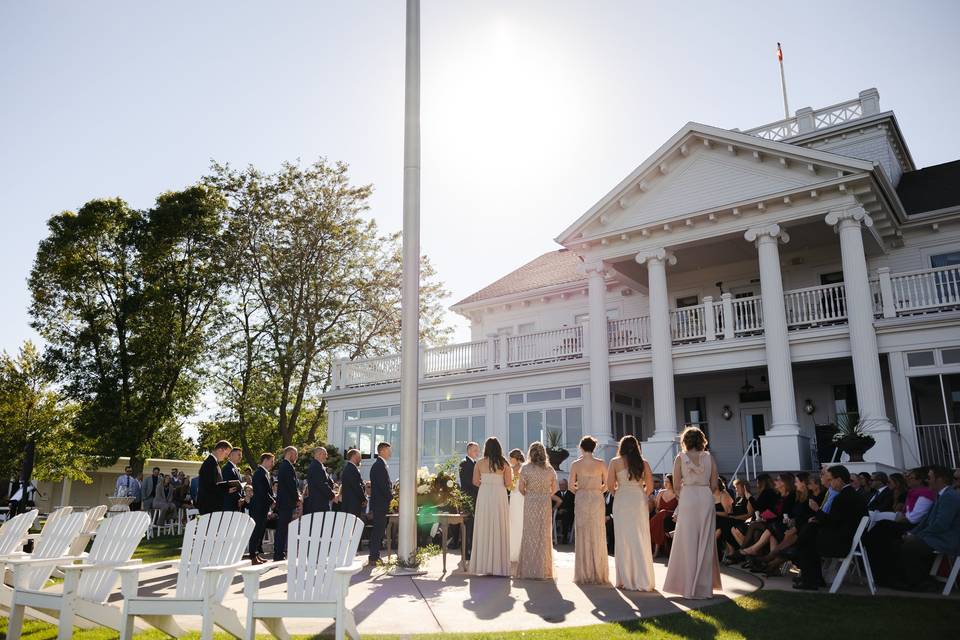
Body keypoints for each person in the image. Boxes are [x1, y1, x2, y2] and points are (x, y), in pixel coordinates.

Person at [663, 426, 722, 599]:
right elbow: (714, 484)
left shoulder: (680, 457)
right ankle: (704, 587)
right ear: (701, 440)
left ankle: (688, 586)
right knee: (705, 540)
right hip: (705, 497)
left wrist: (686, 496)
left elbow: (675, 486)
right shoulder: (709, 457)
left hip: (688, 497)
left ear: (685, 441)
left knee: (687, 541)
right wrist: (703, 492)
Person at [794, 465, 867, 590]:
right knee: (808, 532)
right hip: (842, 536)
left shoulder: (844, 497)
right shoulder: (847, 494)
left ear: (839, 480)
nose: (829, 483)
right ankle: (814, 578)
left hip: (840, 542)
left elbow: (832, 522)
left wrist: (817, 510)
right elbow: (834, 520)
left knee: (807, 539)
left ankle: (810, 579)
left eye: (830, 480)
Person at [895, 465, 960, 590]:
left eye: (929, 477)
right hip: (937, 537)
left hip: (947, 540)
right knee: (901, 542)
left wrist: (917, 536)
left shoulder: (949, 497)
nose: (927, 480)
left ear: (939, 479)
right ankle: (914, 580)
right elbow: (926, 521)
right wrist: (912, 533)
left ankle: (919, 583)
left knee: (909, 547)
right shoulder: (941, 495)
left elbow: (941, 525)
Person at [606, 435, 655, 591]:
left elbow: (609, 486)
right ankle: (643, 578)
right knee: (640, 536)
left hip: (622, 500)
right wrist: (641, 494)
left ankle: (625, 579)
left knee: (623, 538)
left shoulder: (614, 462)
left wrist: (619, 494)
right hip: (638, 499)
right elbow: (651, 487)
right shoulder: (644, 463)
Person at [570, 435, 609, 585]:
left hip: (581, 498)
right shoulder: (601, 463)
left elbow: (570, 486)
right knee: (597, 532)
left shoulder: (576, 464)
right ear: (593, 448)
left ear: (581, 447)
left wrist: (580, 492)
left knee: (583, 532)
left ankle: (584, 572)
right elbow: (607, 483)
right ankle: (598, 571)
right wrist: (598, 490)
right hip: (597, 498)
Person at [515, 442, 558, 579]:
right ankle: (544, 569)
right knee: (543, 534)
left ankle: (529, 569)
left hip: (530, 502)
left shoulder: (525, 469)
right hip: (545, 502)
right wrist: (546, 494)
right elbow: (556, 488)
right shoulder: (550, 469)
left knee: (530, 533)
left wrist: (531, 494)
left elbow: (521, 489)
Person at [470, 437, 511, 576]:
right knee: (499, 526)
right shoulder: (504, 463)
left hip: (485, 494)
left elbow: (475, 481)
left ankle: (483, 565)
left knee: (484, 525)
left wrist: (486, 483)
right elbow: (508, 483)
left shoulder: (479, 463)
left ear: (486, 448)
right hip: (499, 494)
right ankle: (498, 566)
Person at [273, 446, 300, 561]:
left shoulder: (284, 466)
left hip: (285, 502)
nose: (296, 457)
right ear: (290, 453)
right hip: (286, 503)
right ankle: (279, 554)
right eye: (296, 454)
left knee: (283, 529)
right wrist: (297, 498)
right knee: (282, 529)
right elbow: (291, 485)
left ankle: (279, 553)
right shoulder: (287, 466)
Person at [248, 453, 275, 564]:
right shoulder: (259, 473)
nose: (273, 463)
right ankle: (253, 556)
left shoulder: (264, 473)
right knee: (256, 532)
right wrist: (272, 501)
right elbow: (261, 491)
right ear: (265, 460)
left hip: (262, 507)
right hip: (258, 507)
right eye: (272, 461)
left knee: (260, 532)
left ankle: (256, 554)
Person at [368, 442, 392, 566]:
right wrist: (392, 498)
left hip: (380, 504)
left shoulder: (380, 465)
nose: (390, 452)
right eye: (389, 450)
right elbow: (384, 486)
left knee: (379, 530)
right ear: (382, 451)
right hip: (379, 504)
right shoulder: (379, 466)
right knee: (378, 531)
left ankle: (374, 556)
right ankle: (373, 557)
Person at [457, 442, 480, 557]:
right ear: (469, 451)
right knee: (467, 525)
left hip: (475, 497)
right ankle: (466, 551)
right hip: (468, 498)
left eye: (478, 450)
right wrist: (479, 487)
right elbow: (466, 482)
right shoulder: (464, 463)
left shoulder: (475, 463)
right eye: (476, 450)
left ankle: (471, 549)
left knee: (473, 525)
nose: (478, 452)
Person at [198, 441, 233, 515]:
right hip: (209, 506)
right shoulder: (210, 464)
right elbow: (210, 486)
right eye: (226, 454)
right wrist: (226, 489)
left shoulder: (214, 463)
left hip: (213, 505)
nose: (226, 457)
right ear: (220, 450)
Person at [650, 473, 678, 557]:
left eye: (668, 481)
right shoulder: (661, 493)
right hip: (660, 516)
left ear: (672, 482)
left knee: (662, 514)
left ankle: (656, 550)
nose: (665, 483)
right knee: (661, 514)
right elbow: (657, 508)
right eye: (664, 481)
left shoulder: (677, 494)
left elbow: (679, 508)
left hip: (671, 516)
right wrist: (659, 512)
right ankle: (657, 549)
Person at [304, 447, 335, 514]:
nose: (326, 456)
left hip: (320, 503)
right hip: (318, 504)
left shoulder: (318, 466)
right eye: (324, 454)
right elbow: (322, 484)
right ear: (318, 454)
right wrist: (332, 495)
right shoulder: (316, 467)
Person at [508, 448, 525, 565]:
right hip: (518, 497)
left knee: (518, 522)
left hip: (517, 496)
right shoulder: (525, 467)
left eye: (511, 458)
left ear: (516, 458)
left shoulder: (514, 469)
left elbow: (509, 485)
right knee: (515, 522)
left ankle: (516, 551)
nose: (510, 460)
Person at [339, 449, 365, 518]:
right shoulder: (351, 469)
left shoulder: (349, 468)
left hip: (350, 504)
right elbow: (356, 486)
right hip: (352, 505)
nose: (360, 459)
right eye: (359, 456)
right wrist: (363, 499)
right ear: (353, 456)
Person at [553, 479, 575, 545]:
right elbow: (553, 505)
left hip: (568, 513)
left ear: (566, 485)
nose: (561, 486)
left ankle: (564, 537)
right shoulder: (556, 494)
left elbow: (573, 506)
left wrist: (565, 510)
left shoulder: (571, 495)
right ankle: (553, 536)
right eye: (560, 485)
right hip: (557, 513)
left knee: (566, 517)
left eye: (563, 485)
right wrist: (558, 511)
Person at [222, 448, 244, 512]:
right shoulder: (227, 469)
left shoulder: (235, 468)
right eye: (239, 455)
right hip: (229, 505)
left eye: (241, 455)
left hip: (235, 504)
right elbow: (228, 487)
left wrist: (241, 498)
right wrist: (238, 499)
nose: (241, 457)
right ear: (231, 455)